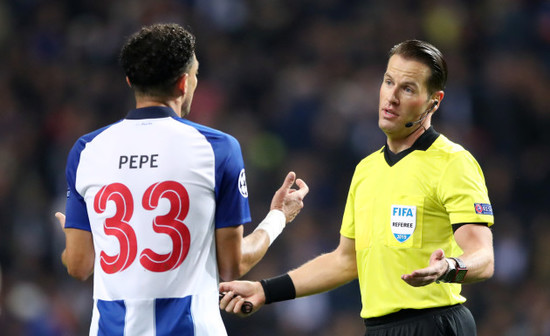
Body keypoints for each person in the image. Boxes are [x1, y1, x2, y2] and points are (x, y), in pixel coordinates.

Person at [220, 39, 494, 335]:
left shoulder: (453, 162)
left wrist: (449, 268)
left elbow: (484, 256)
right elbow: (345, 261)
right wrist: (265, 290)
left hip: (435, 324)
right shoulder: (366, 170)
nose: (392, 97)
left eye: (408, 89)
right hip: (378, 329)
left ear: (434, 101)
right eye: (389, 82)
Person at [55, 23, 309, 336]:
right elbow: (233, 267)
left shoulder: (86, 151)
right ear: (183, 83)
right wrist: (278, 217)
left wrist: (73, 237)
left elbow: (79, 266)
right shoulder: (218, 149)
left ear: (130, 80)